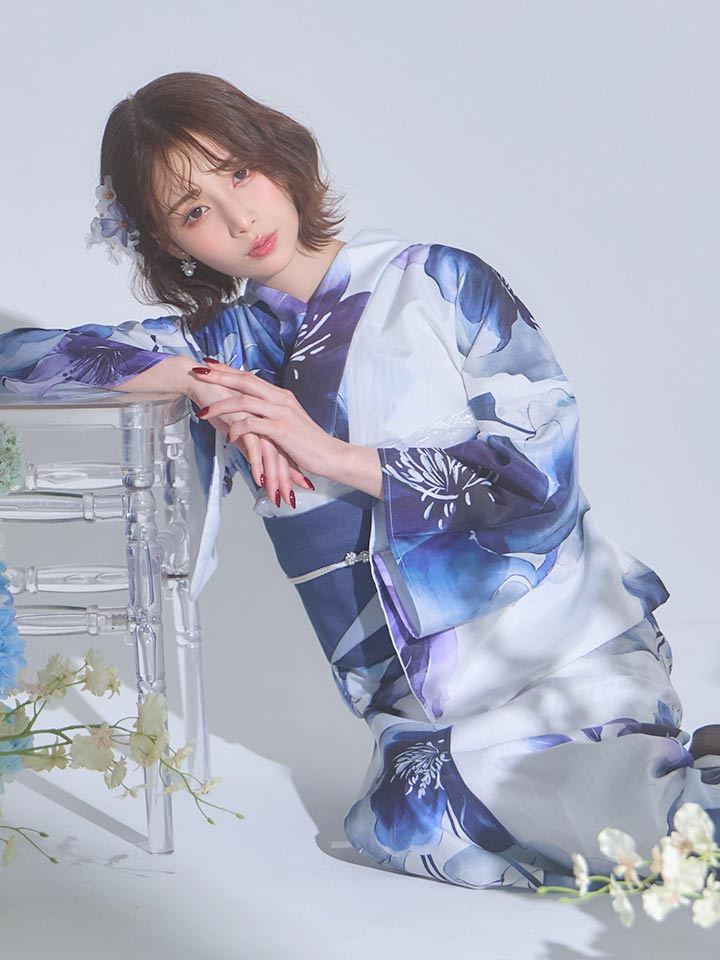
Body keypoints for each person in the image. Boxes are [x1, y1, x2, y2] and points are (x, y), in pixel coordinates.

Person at [1, 70, 719, 892]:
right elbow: (15, 359)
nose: (240, 218)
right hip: (429, 713)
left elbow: (537, 479)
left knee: (663, 838)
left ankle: (661, 774)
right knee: (406, 814)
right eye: (193, 211)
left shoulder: (439, 282)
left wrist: (327, 452)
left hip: (563, 651)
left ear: (277, 155)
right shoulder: (230, 350)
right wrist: (200, 381)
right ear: (169, 244)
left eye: (240, 172)